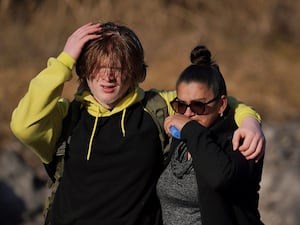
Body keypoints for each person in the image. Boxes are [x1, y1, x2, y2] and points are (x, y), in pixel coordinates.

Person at [10, 22, 265, 225]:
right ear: (85, 70)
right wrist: (64, 60)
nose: (108, 76)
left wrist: (250, 120)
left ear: (133, 71)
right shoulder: (67, 117)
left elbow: (210, 101)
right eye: (98, 67)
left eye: (118, 67)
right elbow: (24, 124)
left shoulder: (156, 107)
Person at [157, 45, 265, 225]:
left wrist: (191, 130)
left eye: (198, 105)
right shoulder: (183, 137)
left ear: (221, 104)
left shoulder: (242, 138)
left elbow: (220, 178)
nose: (188, 114)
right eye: (181, 106)